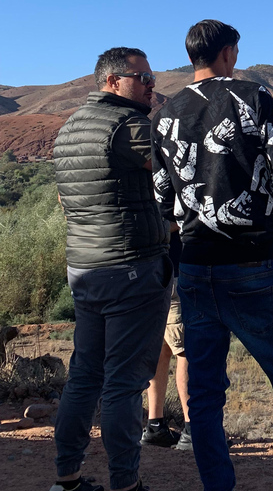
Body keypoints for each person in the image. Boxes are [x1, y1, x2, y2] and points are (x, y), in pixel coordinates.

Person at [151, 19, 273, 491]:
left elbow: (161, 196)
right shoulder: (252, 97)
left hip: (194, 267)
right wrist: (267, 221)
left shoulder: (166, 114)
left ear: (192, 55)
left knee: (205, 396)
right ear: (229, 53)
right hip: (254, 262)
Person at [52, 47, 173, 491]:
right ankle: (125, 484)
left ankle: (67, 478)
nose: (151, 85)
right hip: (131, 269)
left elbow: (68, 201)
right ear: (112, 81)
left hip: (84, 268)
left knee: (84, 375)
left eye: (151, 77)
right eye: (142, 78)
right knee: (124, 382)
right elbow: (177, 173)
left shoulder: (69, 129)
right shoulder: (128, 125)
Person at [141, 232, 193, 450]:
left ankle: (155, 424)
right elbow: (170, 219)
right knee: (187, 351)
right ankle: (193, 430)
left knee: (160, 348)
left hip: (146, 273)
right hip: (175, 270)